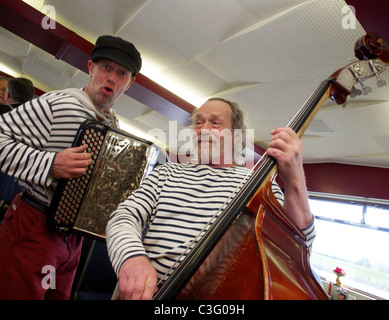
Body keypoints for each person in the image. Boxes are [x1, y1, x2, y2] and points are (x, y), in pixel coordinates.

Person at [106, 97, 316, 300]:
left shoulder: (258, 185)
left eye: (215, 123)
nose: (204, 129)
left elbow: (297, 244)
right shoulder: (166, 173)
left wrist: (294, 177)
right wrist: (132, 259)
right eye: (199, 123)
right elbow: (123, 217)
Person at [0, 35, 142, 300]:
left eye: (121, 73)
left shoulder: (113, 127)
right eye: (106, 68)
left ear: (130, 83)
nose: (111, 77)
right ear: (91, 68)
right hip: (34, 224)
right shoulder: (59, 104)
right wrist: (50, 164)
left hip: (73, 240)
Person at [0, 77, 34, 215]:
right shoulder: (35, 123)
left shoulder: (5, 116)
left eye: (3, 89)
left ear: (8, 94)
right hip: (11, 192)